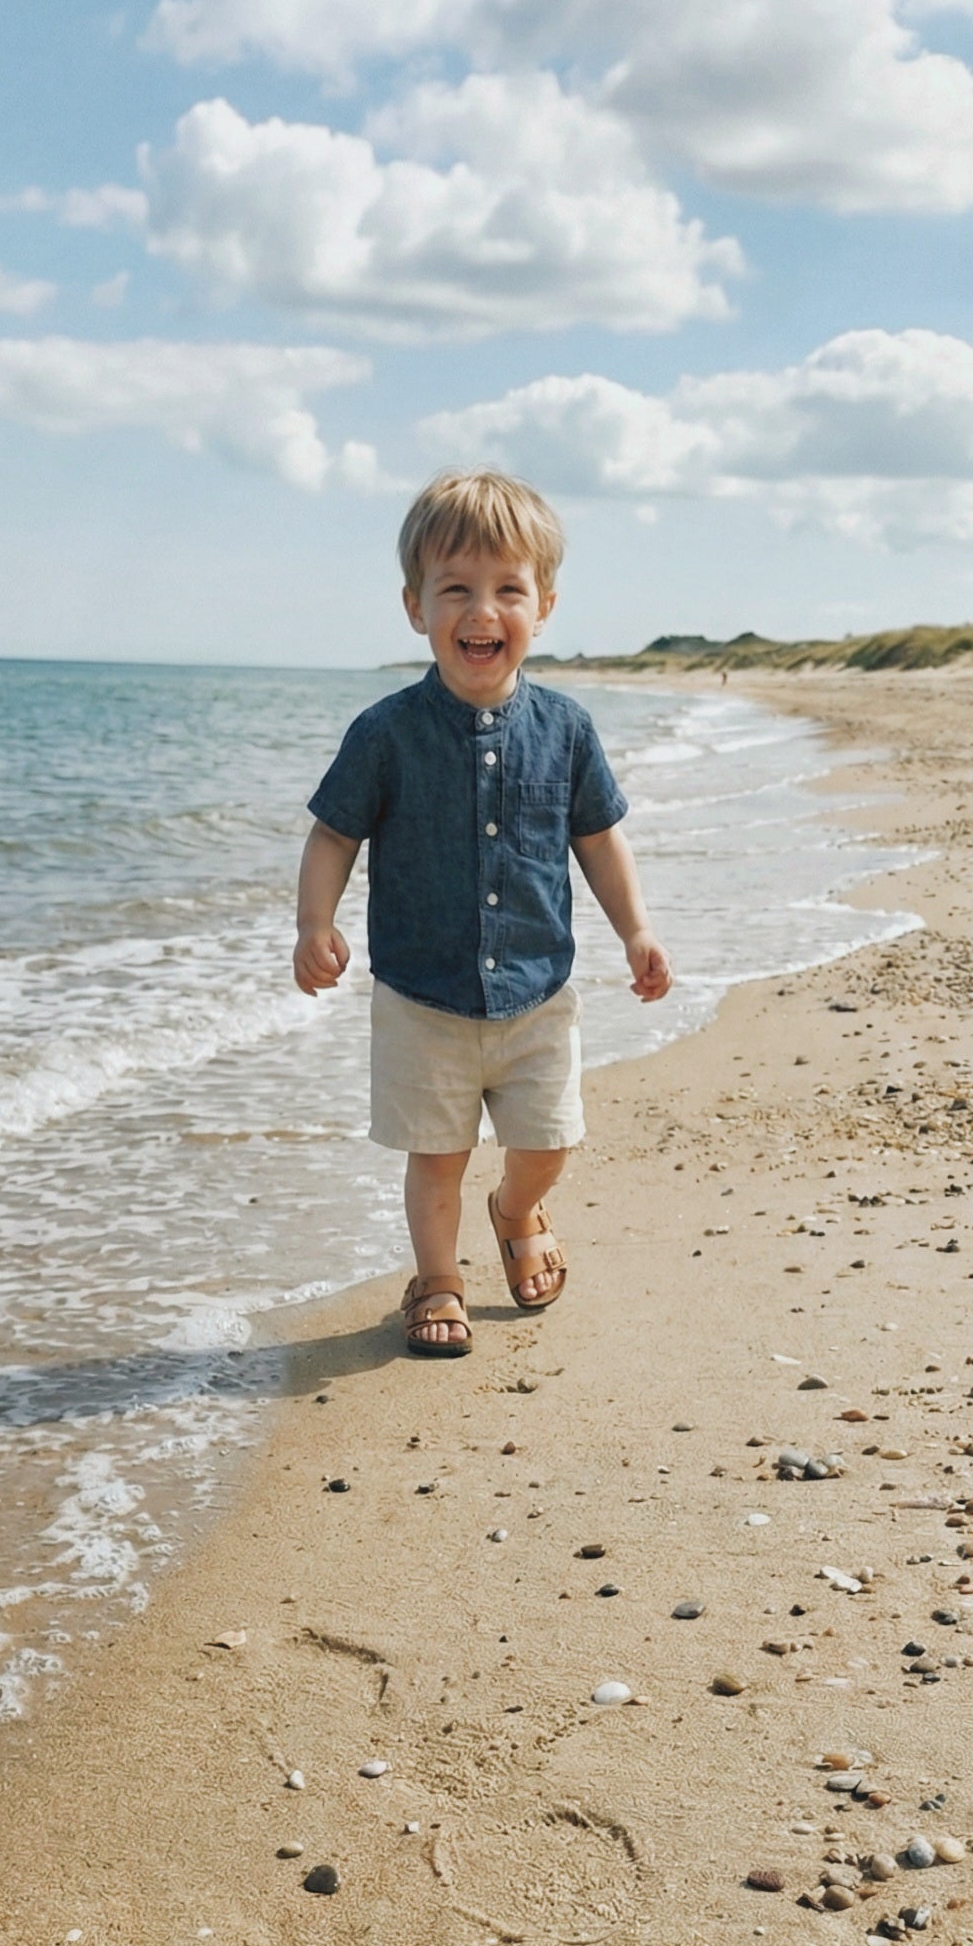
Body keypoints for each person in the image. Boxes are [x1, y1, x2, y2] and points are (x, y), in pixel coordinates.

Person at [293, 468, 672, 1358]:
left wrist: (637, 929)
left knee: (549, 1142)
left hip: (540, 994)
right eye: (455, 588)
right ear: (414, 606)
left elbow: (601, 839)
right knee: (436, 1158)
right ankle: (438, 1278)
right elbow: (331, 837)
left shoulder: (568, 728)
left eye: (508, 589)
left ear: (543, 604)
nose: (481, 610)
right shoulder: (384, 732)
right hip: (422, 997)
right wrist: (315, 924)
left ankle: (517, 1206)